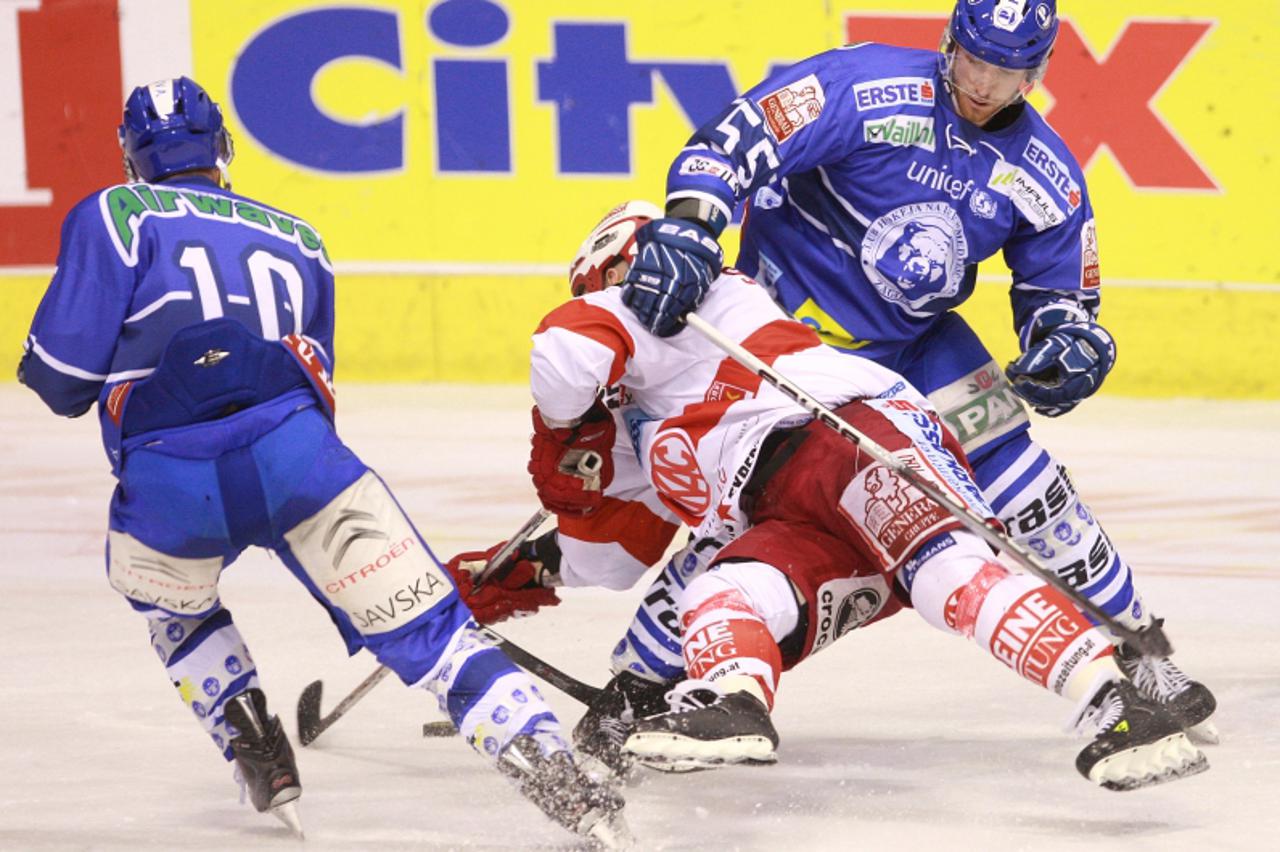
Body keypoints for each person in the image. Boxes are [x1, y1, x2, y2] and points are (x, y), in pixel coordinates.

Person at [16, 77, 626, 845]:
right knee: (438, 637)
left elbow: (61, 381)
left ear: (131, 156)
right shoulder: (300, 239)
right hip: (301, 462)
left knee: (176, 612)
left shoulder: (115, 213)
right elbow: (317, 386)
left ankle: (252, 741)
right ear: (222, 149)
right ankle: (556, 774)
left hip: (169, 482)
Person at [448, 201, 1209, 792]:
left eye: (607, 283)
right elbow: (614, 555)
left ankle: (1122, 702)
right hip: (785, 516)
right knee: (719, 593)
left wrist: (566, 426)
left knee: (949, 575)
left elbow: (564, 353)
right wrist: (522, 570)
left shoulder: (701, 297)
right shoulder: (639, 428)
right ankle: (734, 705)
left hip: (844, 438)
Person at [616, 0, 1216, 741]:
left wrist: (1068, 343)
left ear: (1037, 73)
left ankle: (1143, 654)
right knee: (749, 518)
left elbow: (1061, 296)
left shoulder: (1045, 171)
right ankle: (639, 682)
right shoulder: (864, 85)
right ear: (949, 41)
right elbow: (735, 140)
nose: (985, 84)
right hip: (785, 349)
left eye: (1008, 71)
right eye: (975, 60)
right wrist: (690, 224)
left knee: (1038, 497)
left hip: (918, 347)